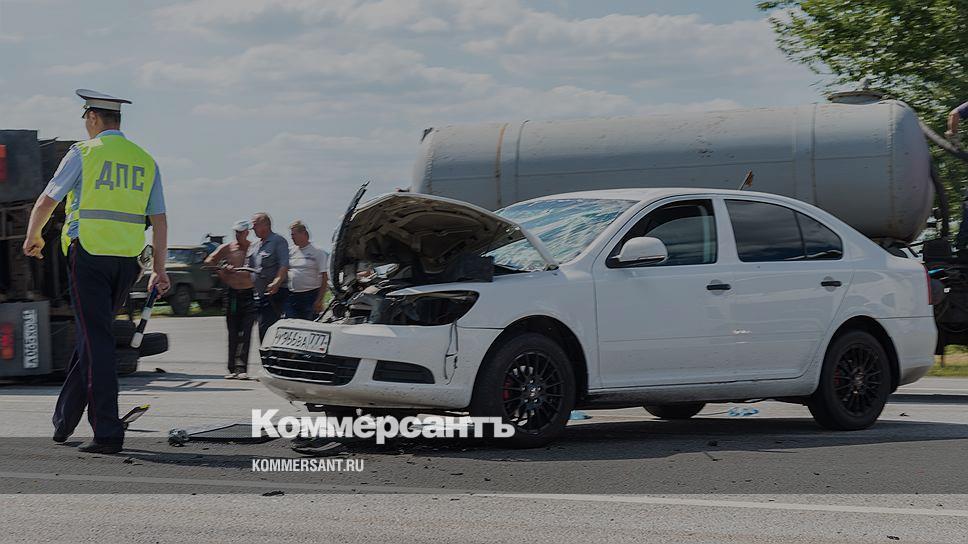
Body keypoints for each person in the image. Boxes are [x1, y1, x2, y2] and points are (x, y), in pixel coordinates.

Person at [22, 89, 169, 454]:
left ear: (92, 118)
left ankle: (107, 431)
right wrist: (159, 270)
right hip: (127, 262)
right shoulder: (145, 160)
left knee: (97, 341)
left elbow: (48, 200)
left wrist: (33, 236)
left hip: (88, 255)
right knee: (93, 336)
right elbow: (160, 221)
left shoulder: (83, 153)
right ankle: (64, 421)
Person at [205, 220, 255, 380]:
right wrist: (222, 271)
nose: (238, 235)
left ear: (247, 232)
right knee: (233, 332)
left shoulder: (254, 247)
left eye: (241, 232)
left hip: (249, 293)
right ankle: (232, 368)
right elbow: (209, 260)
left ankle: (243, 368)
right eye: (236, 232)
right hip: (232, 293)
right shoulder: (228, 247)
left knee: (246, 332)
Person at [248, 212, 289, 341]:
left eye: (255, 225)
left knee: (270, 332)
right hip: (259, 296)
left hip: (275, 295)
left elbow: (284, 265)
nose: (252, 229)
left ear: (265, 225)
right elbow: (247, 268)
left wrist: (276, 282)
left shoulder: (278, 241)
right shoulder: (254, 245)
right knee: (262, 331)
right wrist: (230, 270)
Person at [286, 220, 329, 320]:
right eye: (291, 235)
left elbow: (324, 277)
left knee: (308, 322)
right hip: (293, 295)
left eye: (294, 234)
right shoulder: (291, 251)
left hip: (310, 295)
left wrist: (319, 300)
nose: (292, 237)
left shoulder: (317, 252)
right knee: (291, 322)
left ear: (304, 234)